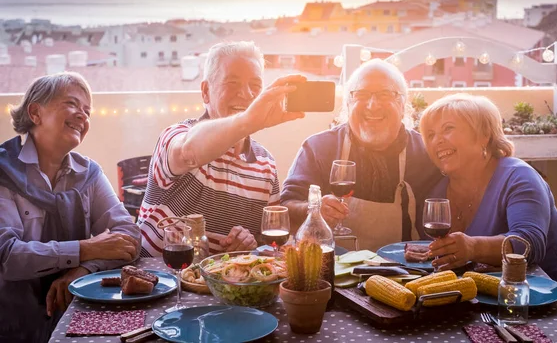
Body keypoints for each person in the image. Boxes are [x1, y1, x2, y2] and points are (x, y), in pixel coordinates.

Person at [420, 93, 557, 321]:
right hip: (486, 308)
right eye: (431, 135)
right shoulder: (437, 194)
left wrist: (473, 247)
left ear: (483, 135)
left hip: (554, 306)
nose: (437, 141)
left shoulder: (519, 176)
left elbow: (529, 244)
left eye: (448, 129)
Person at [0, 72, 141, 343]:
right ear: (35, 112)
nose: (83, 116)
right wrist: (86, 248)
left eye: (87, 111)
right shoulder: (3, 171)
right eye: (72, 104)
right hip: (11, 324)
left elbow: (129, 236)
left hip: (77, 313)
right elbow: (7, 256)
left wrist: (82, 270)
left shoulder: (88, 173)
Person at [138, 41, 305, 256]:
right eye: (233, 83)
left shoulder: (265, 164)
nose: (246, 94)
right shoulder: (176, 136)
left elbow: (267, 242)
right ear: (206, 92)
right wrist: (247, 121)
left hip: (223, 285)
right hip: (158, 280)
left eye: (255, 85)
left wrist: (249, 242)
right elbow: (188, 152)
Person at [282, 59, 442, 251]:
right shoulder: (319, 148)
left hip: (406, 273)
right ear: (348, 103)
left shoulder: (425, 153)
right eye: (362, 95)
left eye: (385, 95)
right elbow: (286, 209)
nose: (372, 105)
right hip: (334, 271)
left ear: (402, 104)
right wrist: (314, 210)